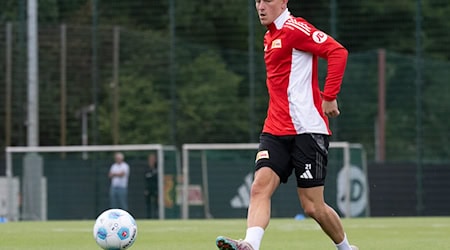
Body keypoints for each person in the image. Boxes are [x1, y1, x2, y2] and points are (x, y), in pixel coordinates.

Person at [216, 0, 358, 250]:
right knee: (259, 187)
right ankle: (250, 244)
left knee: (312, 206)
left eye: (268, 0)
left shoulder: (295, 29)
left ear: (283, 2)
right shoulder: (269, 37)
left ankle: (346, 248)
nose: (260, 6)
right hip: (274, 129)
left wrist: (330, 96)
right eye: (257, 1)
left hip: (307, 129)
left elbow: (337, 52)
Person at [144, 153, 159, 219]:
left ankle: (157, 217)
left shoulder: (158, 168)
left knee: (156, 204)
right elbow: (145, 179)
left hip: (156, 188)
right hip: (149, 188)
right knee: (148, 204)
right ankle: (148, 217)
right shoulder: (146, 168)